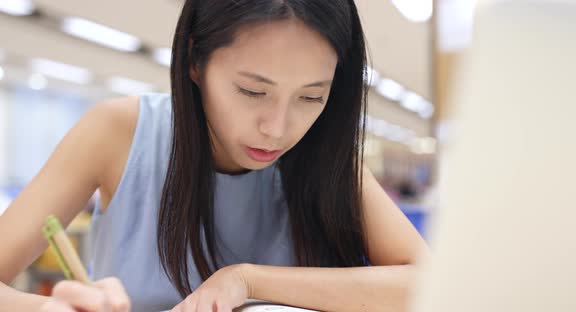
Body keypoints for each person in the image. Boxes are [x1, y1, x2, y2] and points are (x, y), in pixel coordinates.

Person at [0, 1, 428, 311]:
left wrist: (246, 280)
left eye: (311, 97)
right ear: (193, 60)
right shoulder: (119, 132)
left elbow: (426, 283)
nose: (277, 128)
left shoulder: (328, 158)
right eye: (252, 91)